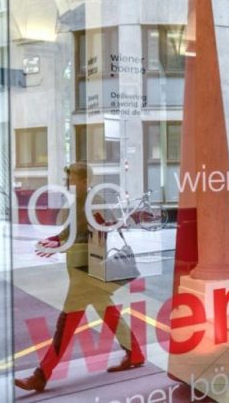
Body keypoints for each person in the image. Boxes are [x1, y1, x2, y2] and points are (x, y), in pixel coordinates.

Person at [15, 162, 144, 393]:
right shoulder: (78, 202)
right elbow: (68, 232)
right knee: (108, 312)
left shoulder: (94, 201)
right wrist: (53, 241)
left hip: (85, 272)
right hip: (80, 269)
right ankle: (134, 353)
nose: (67, 183)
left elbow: (100, 233)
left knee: (65, 324)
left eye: (71, 179)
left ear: (84, 181)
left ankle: (41, 376)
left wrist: (64, 244)